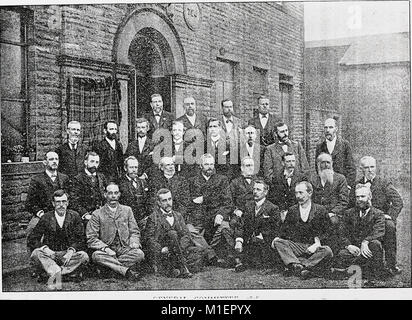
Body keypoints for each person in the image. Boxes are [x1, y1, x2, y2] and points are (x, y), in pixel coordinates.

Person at [272, 181, 333, 279]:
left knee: (327, 251)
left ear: (310, 193)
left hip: (314, 247)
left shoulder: (321, 210)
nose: (298, 196)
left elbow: (329, 232)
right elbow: (284, 231)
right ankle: (300, 266)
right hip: (297, 246)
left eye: (301, 193)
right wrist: (278, 239)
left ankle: (298, 265)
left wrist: (317, 243)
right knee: (278, 242)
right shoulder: (292, 210)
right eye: (296, 193)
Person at [27, 190, 89, 287]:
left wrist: (71, 251)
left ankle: (54, 273)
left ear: (68, 203)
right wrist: (45, 249)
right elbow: (32, 239)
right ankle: (65, 273)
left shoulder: (75, 216)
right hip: (50, 255)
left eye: (64, 201)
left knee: (84, 256)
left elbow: (80, 238)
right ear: (53, 203)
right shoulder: (46, 217)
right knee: (36, 253)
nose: (61, 205)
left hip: (67, 256)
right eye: (58, 202)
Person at [86, 183, 145, 280]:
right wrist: (106, 249)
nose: (113, 196)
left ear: (119, 194)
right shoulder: (97, 214)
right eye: (110, 193)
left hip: (125, 248)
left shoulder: (127, 210)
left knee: (139, 254)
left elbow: (134, 231)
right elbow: (91, 238)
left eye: (116, 193)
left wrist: (134, 242)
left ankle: (111, 269)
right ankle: (126, 271)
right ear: (105, 195)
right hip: (107, 249)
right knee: (96, 256)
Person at [356, 156, 404, 275]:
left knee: (389, 226)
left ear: (376, 168)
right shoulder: (357, 184)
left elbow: (398, 201)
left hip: (381, 219)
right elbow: (353, 204)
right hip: (365, 218)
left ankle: (391, 265)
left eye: (372, 167)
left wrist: (390, 216)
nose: (370, 170)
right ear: (361, 169)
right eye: (366, 167)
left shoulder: (384, 183)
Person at [187, 153, 236, 265]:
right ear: (200, 166)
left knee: (225, 227)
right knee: (190, 231)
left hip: (215, 216)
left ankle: (212, 253)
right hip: (198, 218)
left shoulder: (222, 180)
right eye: (206, 164)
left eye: (211, 164)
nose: (209, 167)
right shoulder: (192, 181)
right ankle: (211, 254)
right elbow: (189, 202)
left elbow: (228, 202)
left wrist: (220, 214)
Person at [144, 189, 205, 278]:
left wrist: (179, 247)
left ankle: (174, 269)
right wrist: (161, 249)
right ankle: (182, 268)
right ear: (159, 203)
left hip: (178, 250)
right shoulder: (153, 217)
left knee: (200, 252)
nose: (168, 203)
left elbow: (186, 235)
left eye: (169, 199)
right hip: (164, 252)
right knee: (172, 233)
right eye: (164, 200)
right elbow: (149, 239)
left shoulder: (178, 215)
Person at [336, 184, 387, 286]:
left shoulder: (378, 214)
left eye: (363, 196)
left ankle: (349, 270)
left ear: (370, 197)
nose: (360, 199)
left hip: (369, 249)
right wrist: (348, 246)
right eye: (357, 197)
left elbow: (379, 231)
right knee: (342, 254)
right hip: (354, 250)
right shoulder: (348, 213)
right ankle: (362, 269)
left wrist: (365, 242)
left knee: (375, 244)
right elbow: (341, 233)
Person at [231, 179, 281, 271]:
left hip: (264, 241)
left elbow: (276, 228)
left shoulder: (273, 208)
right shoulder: (248, 206)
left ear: (265, 192)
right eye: (254, 189)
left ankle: (243, 261)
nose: (255, 192)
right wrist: (239, 240)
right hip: (249, 240)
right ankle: (241, 261)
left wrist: (264, 235)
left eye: (258, 190)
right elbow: (241, 224)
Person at [310, 152, 349, 253]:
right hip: (315, 212)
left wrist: (332, 212)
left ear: (332, 163)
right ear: (318, 164)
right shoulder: (312, 179)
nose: (326, 165)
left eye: (328, 162)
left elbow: (344, 201)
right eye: (323, 162)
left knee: (331, 222)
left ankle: (332, 253)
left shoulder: (340, 179)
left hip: (334, 214)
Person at [25, 151, 70, 236]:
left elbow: (69, 198)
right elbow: (29, 203)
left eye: (56, 159)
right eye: (51, 159)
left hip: (62, 212)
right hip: (44, 213)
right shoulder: (37, 180)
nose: (54, 161)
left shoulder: (65, 178)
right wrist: (41, 214)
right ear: (45, 162)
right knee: (31, 229)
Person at [315, 118, 356, 189]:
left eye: (330, 127)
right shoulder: (320, 147)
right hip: (326, 186)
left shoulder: (344, 145)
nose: (328, 130)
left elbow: (351, 168)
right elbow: (317, 167)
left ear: (336, 129)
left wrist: (348, 186)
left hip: (341, 186)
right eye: (326, 127)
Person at [268, 152, 308, 221]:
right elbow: (273, 197)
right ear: (283, 163)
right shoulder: (276, 178)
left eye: (293, 161)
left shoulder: (302, 178)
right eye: (288, 161)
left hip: (298, 212)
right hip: (281, 212)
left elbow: (305, 197)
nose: (291, 164)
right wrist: (282, 211)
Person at [69, 151, 107, 222]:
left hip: (101, 214)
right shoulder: (77, 179)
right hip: (86, 217)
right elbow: (73, 201)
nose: (94, 165)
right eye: (92, 161)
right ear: (85, 162)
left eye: (96, 162)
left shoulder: (102, 177)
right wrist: (85, 214)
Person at [119, 156, 149, 230]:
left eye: (136, 167)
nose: (134, 170)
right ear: (125, 168)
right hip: (126, 220)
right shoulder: (120, 183)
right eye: (131, 167)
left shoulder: (142, 182)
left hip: (142, 219)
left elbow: (148, 200)